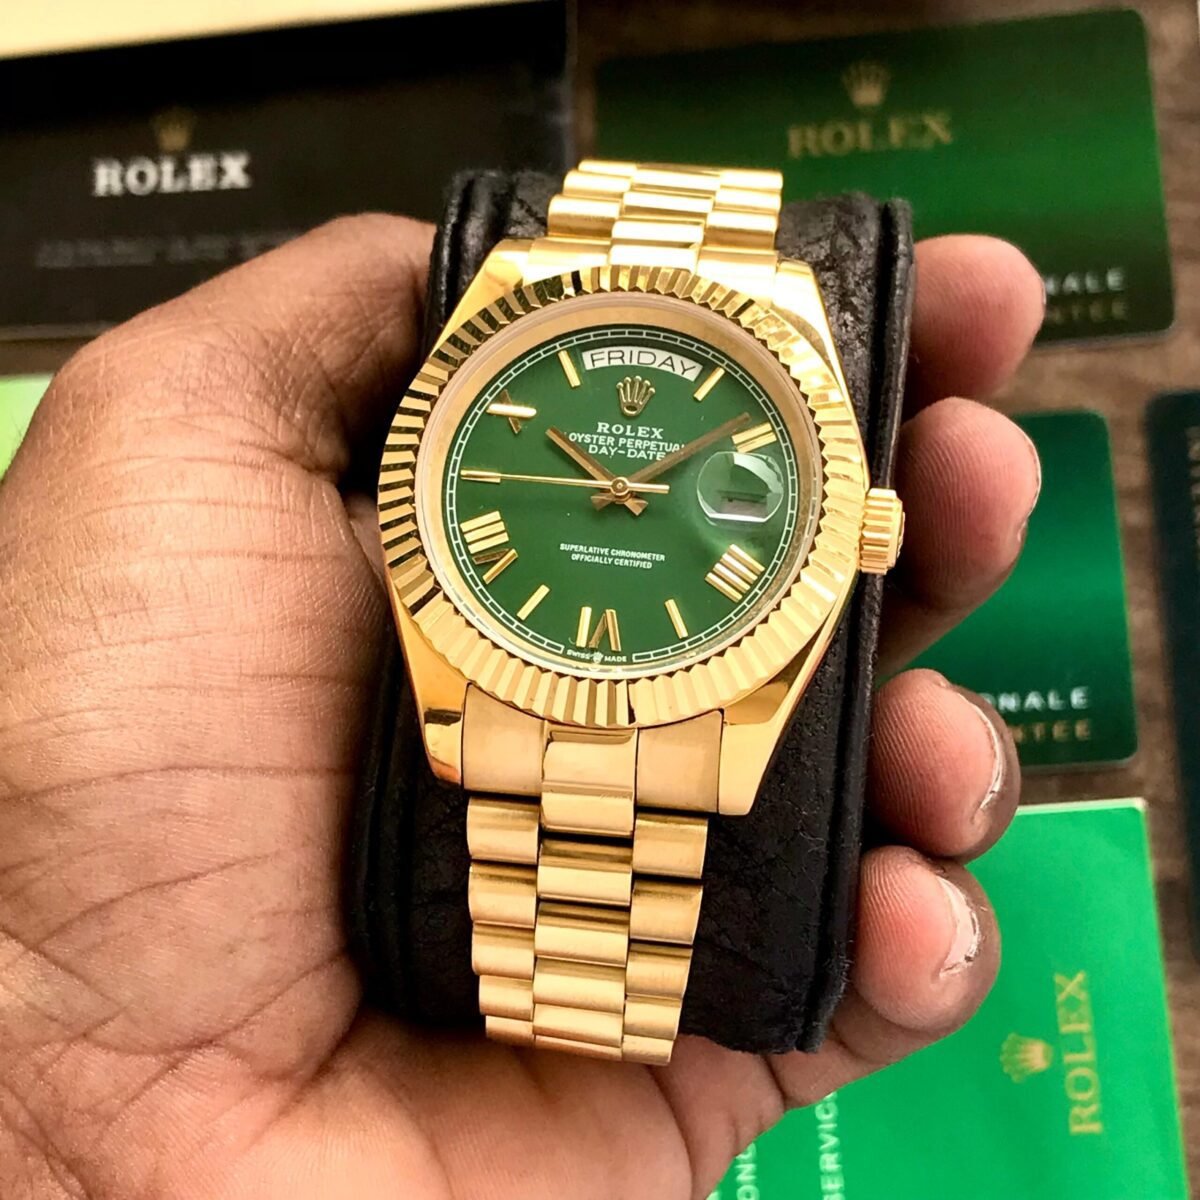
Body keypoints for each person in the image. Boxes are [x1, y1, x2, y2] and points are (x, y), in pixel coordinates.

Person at [0, 215, 1043, 1198]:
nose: (621, 500)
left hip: (691, 699)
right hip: (492, 686)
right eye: (606, 488)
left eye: (636, 493)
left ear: (865, 525)